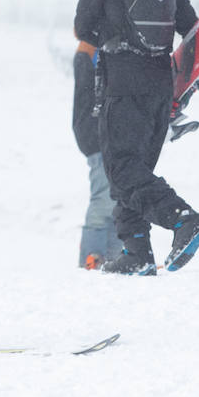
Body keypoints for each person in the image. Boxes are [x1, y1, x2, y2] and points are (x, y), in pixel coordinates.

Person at [73, 0, 199, 275]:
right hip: (160, 87)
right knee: (134, 169)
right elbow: (190, 26)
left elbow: (83, 28)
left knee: (120, 168)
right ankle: (136, 252)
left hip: (122, 85)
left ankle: (185, 220)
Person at [73, 42, 120, 269]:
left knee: (118, 200)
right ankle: (93, 259)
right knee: (104, 200)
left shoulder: (97, 54)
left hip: (104, 134)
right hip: (97, 134)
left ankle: (114, 260)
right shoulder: (89, 53)